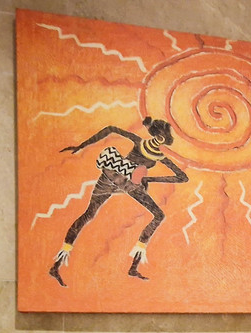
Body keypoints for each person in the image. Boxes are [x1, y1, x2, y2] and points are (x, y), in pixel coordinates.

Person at [50, 117, 188, 285]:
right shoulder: (154, 153)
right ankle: (133, 267)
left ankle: (57, 265)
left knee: (88, 214)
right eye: (161, 136)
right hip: (126, 183)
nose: (160, 139)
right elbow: (182, 177)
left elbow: (111, 129)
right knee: (158, 215)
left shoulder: (142, 144)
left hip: (112, 178)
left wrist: (82, 145)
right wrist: (149, 179)